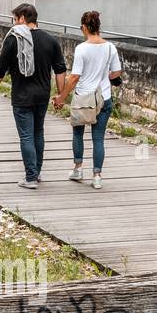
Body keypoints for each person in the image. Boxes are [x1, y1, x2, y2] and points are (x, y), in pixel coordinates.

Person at [0, 4, 67, 189]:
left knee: (26, 136)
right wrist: (60, 94)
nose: (14, 23)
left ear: (23, 18)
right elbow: (60, 70)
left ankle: (30, 177)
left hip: (22, 96)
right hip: (42, 95)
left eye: (15, 19)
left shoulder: (14, 39)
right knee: (38, 133)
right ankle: (36, 173)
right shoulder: (50, 40)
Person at [53, 11, 123, 190]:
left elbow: (75, 77)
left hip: (83, 99)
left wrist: (61, 97)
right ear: (98, 27)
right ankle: (97, 176)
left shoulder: (82, 48)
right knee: (98, 138)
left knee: (78, 134)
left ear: (84, 27)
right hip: (103, 98)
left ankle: (78, 169)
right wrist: (105, 77)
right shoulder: (110, 48)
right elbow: (116, 73)